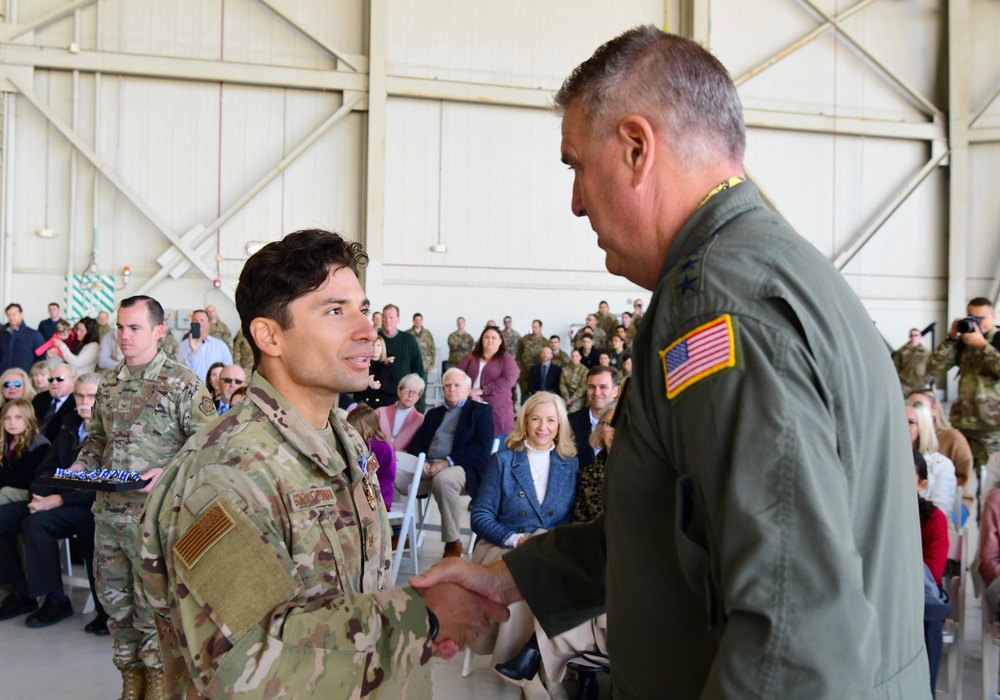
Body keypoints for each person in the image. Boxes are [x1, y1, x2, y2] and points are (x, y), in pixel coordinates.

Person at [414, 27, 928, 697]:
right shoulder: (772, 267)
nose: (574, 202)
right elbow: (673, 526)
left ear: (635, 148)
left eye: (575, 164)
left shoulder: (716, 306)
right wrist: (511, 578)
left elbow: (793, 624)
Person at [137, 229, 506, 697]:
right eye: (335, 311)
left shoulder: (346, 440)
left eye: (363, 309)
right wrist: (423, 617)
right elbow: (248, 664)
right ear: (269, 335)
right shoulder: (226, 472)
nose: (368, 331)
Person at [72, 295, 216, 698]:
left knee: (154, 612)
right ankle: (129, 684)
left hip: (154, 520)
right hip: (109, 517)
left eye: (134, 328)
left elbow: (208, 448)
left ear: (158, 331)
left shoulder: (183, 383)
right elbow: (97, 438)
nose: (124, 336)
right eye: (119, 327)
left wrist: (167, 472)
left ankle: (158, 686)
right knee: (116, 610)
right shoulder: (110, 383)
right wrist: (82, 465)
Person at [468, 392, 578, 680]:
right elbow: (480, 516)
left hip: (548, 546)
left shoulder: (570, 465)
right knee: (527, 570)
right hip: (502, 543)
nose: (543, 427)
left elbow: (567, 520)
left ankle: (534, 663)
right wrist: (516, 541)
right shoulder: (503, 461)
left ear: (560, 425)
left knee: (556, 571)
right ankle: (523, 667)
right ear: (525, 421)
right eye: (536, 419)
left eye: (551, 420)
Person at [0, 373, 107, 632]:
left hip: (90, 507)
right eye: (80, 395)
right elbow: (44, 470)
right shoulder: (68, 427)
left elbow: (105, 484)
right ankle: (21, 592)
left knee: (37, 524)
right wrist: (42, 496)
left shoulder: (111, 432)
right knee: (4, 517)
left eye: (92, 396)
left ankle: (58, 600)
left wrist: (59, 499)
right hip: (55, 502)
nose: (85, 401)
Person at [407, 367, 494, 558]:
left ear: (468, 389)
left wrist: (447, 462)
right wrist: (421, 462)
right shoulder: (434, 414)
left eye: (456, 385)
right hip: (428, 467)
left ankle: (452, 542)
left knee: (443, 480)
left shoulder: (480, 411)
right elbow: (416, 444)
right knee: (390, 475)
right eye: (447, 385)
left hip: (461, 468)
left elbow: (482, 447)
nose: (451, 389)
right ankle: (398, 532)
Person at [926, 297, 1000, 471]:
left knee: (991, 475)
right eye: (971, 317)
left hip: (991, 425)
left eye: (981, 318)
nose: (976, 322)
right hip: (963, 420)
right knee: (960, 472)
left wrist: (983, 346)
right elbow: (933, 368)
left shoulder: (996, 340)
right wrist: (951, 339)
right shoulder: (963, 342)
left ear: (993, 316)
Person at [914, 450, 950, 699]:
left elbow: (932, 570)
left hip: (920, 600)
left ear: (922, 484)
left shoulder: (933, 519)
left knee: (929, 614)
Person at [908, 388, 975, 509]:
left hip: (951, 499)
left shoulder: (953, 439)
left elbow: (963, 478)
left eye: (911, 422)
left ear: (933, 409)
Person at [459, 326, 519, 438]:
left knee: (494, 446)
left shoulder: (507, 359)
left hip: (497, 412)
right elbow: (458, 376)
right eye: (486, 337)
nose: (490, 340)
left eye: (493, 338)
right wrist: (469, 393)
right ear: (481, 339)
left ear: (500, 341)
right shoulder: (471, 356)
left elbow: (508, 380)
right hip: (470, 405)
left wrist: (481, 390)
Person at [907, 399, 958, 523]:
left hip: (923, 532)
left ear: (923, 428)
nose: (903, 426)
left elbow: (939, 516)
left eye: (911, 422)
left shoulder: (942, 465)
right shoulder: (881, 461)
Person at [347, 403, 397, 509]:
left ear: (367, 428)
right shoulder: (354, 445)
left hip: (379, 498)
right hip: (356, 496)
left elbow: (389, 478)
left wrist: (371, 492)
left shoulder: (384, 448)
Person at [0, 399, 50, 506]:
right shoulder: (5, 440)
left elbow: (23, 480)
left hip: (29, 491)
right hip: (6, 485)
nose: (12, 422)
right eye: (7, 418)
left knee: (5, 493)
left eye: (18, 417)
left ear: (28, 419)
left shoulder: (40, 444)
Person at [568, 366, 618, 471]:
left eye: (603, 387)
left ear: (615, 391)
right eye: (592, 387)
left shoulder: (628, 424)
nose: (597, 393)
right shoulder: (570, 423)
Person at [380, 304, 426, 411]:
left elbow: (417, 365)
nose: (387, 320)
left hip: (404, 393)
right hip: (381, 392)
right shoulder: (376, 339)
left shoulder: (408, 339)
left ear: (398, 319)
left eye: (391, 317)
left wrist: (414, 389)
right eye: (385, 317)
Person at [175, 309, 233, 381]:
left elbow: (229, 369)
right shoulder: (182, 346)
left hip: (214, 390)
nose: (199, 323)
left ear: (208, 324)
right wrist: (194, 351)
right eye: (195, 321)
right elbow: (180, 370)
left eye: (202, 320)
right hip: (192, 389)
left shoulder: (220, 346)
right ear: (191, 324)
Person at [376, 373, 426, 451]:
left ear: (418, 397)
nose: (410, 395)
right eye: (407, 391)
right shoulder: (380, 412)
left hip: (404, 459)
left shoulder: (421, 420)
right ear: (399, 391)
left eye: (415, 393)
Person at [32, 362, 77, 445]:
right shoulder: (40, 398)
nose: (54, 382)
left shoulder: (77, 402)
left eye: (59, 379)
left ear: (73, 381)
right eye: (51, 379)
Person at [354, 335, 398, 408]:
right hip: (364, 406)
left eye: (378, 345)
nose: (375, 348)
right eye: (373, 345)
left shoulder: (389, 366)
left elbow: (395, 390)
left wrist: (380, 386)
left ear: (382, 348)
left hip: (383, 407)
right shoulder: (361, 363)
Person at [0, 303, 44, 374]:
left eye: (14, 314)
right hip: (4, 378)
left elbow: (42, 359)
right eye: (8, 315)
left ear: (22, 314)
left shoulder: (33, 335)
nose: (11, 317)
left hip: (25, 378)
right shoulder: (2, 334)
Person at [515, 320, 548, 401]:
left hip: (538, 374)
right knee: (524, 395)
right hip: (525, 372)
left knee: (537, 396)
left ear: (540, 328)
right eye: (533, 327)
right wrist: (520, 367)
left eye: (536, 327)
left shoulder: (545, 342)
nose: (534, 329)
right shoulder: (525, 339)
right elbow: (518, 354)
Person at [894, 328, 930, 396]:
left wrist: (926, 380)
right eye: (911, 335)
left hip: (920, 384)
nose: (913, 337)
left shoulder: (926, 353)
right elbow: (895, 366)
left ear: (920, 336)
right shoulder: (901, 351)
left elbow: (931, 368)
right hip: (904, 384)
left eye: (916, 335)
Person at [406, 312, 436, 376]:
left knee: (423, 384)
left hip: (425, 364)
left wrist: (432, 364)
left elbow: (432, 348)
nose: (418, 322)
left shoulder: (427, 333)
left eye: (420, 320)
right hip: (411, 364)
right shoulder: (407, 333)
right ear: (413, 321)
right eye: (416, 320)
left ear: (422, 321)